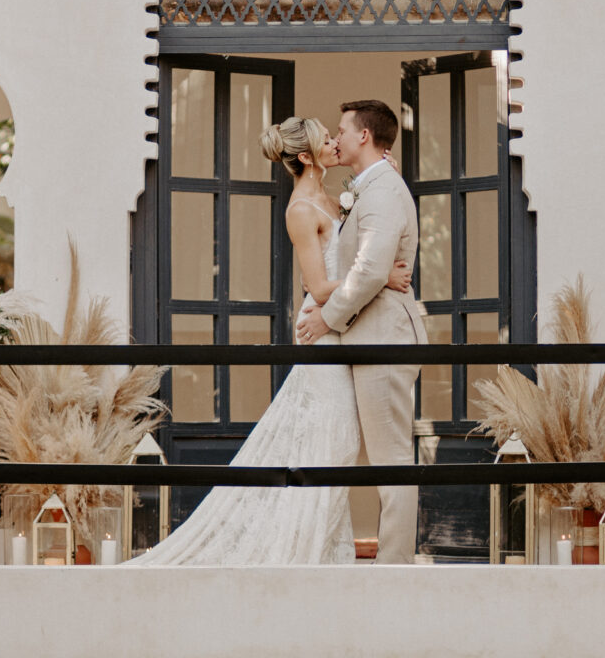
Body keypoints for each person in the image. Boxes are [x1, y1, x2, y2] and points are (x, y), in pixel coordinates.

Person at [127, 116, 410, 566]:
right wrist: (378, 278)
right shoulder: (300, 210)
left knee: (336, 445)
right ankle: (298, 555)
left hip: (344, 326)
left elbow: (362, 242)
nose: (336, 142)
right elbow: (317, 288)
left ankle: (324, 555)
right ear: (305, 156)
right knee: (329, 444)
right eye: (326, 140)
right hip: (323, 331)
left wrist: (383, 179)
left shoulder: (338, 197)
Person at [297, 100, 428, 565]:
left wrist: (326, 318)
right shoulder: (370, 187)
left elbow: (371, 269)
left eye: (342, 129)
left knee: (391, 460)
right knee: (378, 456)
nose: (337, 136)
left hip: (383, 337)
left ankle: (393, 570)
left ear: (364, 136)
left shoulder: (384, 191)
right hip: (367, 337)